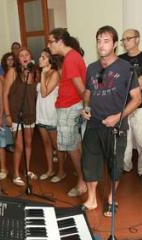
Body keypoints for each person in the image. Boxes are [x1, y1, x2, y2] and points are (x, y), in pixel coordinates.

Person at [80, 26, 141, 214]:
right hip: (94, 124)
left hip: (116, 125)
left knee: (115, 164)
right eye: (99, 40)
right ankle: (91, 200)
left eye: (106, 41)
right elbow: (89, 92)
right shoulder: (93, 68)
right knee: (90, 162)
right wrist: (86, 107)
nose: (101, 45)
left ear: (115, 44)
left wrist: (118, 117)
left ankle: (111, 199)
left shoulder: (126, 68)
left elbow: (137, 99)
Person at [47, 28, 87, 196]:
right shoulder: (73, 56)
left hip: (70, 107)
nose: (48, 45)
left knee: (71, 146)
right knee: (76, 144)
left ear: (60, 42)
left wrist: (86, 107)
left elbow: (81, 89)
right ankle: (83, 177)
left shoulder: (70, 59)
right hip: (71, 105)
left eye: (51, 42)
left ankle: (82, 182)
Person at [119, 29, 142, 184]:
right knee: (125, 138)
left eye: (128, 38)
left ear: (137, 39)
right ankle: (125, 166)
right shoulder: (119, 59)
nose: (125, 42)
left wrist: (127, 83)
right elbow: (115, 81)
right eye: (123, 39)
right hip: (123, 105)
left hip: (140, 105)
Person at [3, 47, 38, 186]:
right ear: (18, 59)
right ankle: (16, 174)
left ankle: (28, 170)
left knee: (29, 144)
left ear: (30, 57)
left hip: (30, 113)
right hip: (16, 114)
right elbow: (5, 95)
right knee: (19, 147)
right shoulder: (12, 72)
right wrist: (8, 115)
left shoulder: (34, 72)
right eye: (21, 55)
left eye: (27, 54)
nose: (24, 57)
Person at [36, 48, 66, 182]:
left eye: (43, 57)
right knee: (46, 143)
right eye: (40, 57)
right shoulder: (41, 73)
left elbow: (44, 93)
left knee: (56, 145)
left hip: (51, 114)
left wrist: (43, 75)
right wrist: (41, 74)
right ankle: (50, 170)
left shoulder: (54, 74)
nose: (40, 59)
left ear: (50, 60)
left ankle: (61, 172)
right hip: (41, 113)